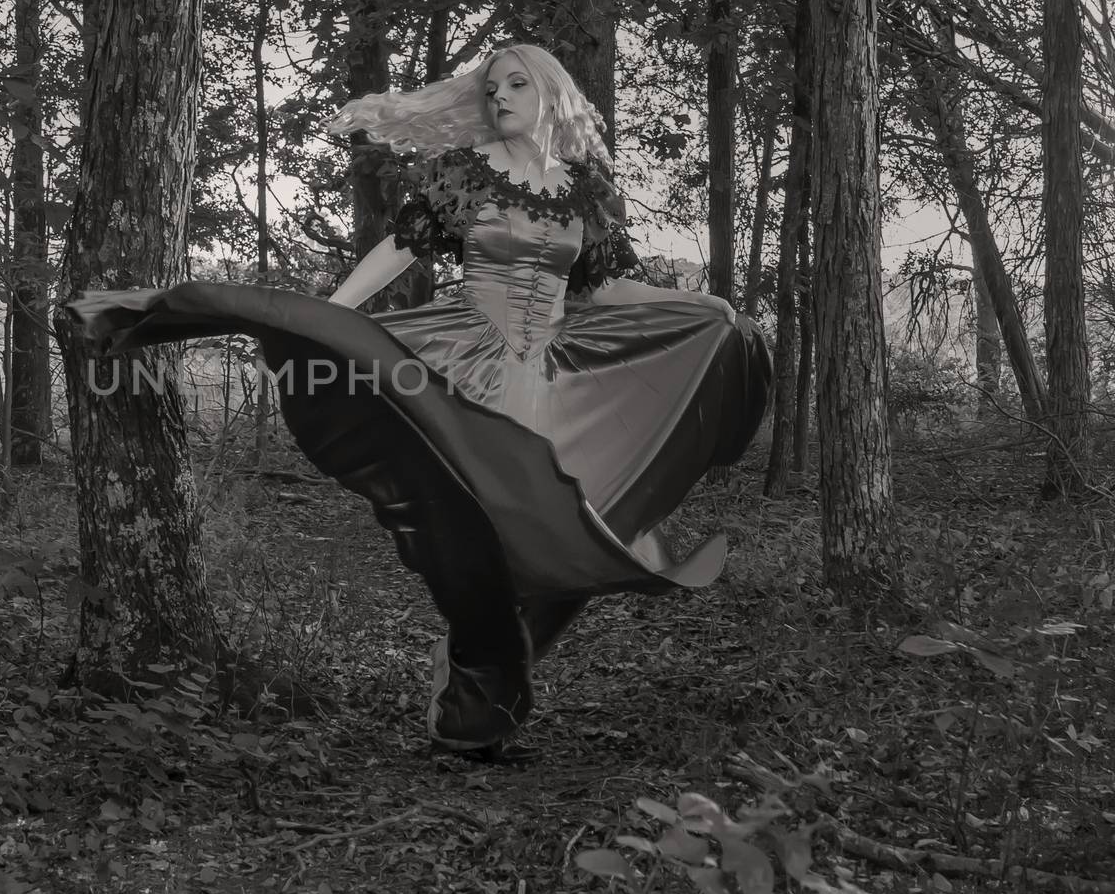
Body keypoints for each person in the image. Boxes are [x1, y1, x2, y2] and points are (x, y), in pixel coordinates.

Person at [60, 43, 771, 763]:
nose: (499, 97)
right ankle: (478, 685)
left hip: (553, 376)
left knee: (572, 532)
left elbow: (602, 289)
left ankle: (481, 678)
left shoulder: (585, 189)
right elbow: (401, 251)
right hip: (468, 360)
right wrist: (327, 315)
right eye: (491, 87)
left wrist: (702, 305)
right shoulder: (466, 173)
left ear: (550, 92)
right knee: (477, 530)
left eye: (516, 84)